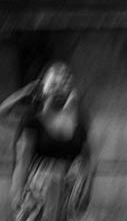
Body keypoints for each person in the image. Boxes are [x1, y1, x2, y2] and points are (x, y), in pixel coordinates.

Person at [1, 61, 92, 221]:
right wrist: (17, 192)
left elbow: (87, 159)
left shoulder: (77, 124)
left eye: (66, 81)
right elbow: (23, 160)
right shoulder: (33, 120)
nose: (63, 86)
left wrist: (85, 186)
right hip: (39, 191)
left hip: (67, 191)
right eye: (57, 82)